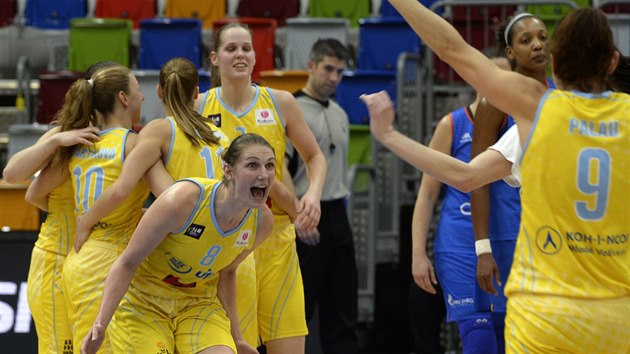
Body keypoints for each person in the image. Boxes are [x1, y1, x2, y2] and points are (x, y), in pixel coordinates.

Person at [365, 3, 629, 352]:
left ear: (556, 63)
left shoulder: (537, 108)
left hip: (543, 314)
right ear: (612, 62)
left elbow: (451, 50)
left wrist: (389, 136)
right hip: (615, 316)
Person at [196, 22, 327, 353]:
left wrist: (312, 194)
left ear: (255, 57)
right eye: (231, 49)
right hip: (228, 243)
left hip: (277, 238)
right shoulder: (198, 108)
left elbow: (314, 157)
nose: (240, 54)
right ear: (214, 58)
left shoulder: (280, 102)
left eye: (246, 48)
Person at [80, 133, 276, 354]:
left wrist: (237, 338)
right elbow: (127, 262)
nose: (263, 175)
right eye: (252, 165)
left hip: (197, 302)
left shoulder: (263, 222)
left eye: (270, 166)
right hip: (144, 301)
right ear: (228, 171)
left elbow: (228, 271)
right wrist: (101, 324)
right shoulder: (183, 199)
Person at [24, 65, 161, 353]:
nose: (142, 97)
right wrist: (86, 220)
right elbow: (149, 194)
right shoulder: (134, 143)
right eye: (137, 89)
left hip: (80, 257)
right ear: (123, 98)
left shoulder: (81, 142)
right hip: (101, 258)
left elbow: (33, 193)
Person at [74, 57, 231, 249]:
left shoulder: (157, 131)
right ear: (197, 93)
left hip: (189, 240)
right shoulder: (221, 135)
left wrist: (85, 222)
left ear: (159, 91)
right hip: (226, 238)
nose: (141, 96)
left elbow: (167, 198)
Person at [412, 51, 510, 354]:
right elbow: (428, 193)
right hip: (460, 246)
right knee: (479, 341)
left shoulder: (523, 127)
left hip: (508, 243)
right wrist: (418, 254)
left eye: (508, 77)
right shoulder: (452, 125)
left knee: (506, 339)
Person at [469, 14, 553, 353]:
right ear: (511, 51)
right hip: (508, 231)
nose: (537, 44)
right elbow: (476, 179)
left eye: (543, 37)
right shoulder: (494, 101)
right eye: (526, 40)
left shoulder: (561, 94)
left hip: (551, 228)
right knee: (513, 329)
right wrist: (483, 248)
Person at [284, 38, 359, 354]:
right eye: (328, 69)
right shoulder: (292, 109)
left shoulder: (341, 113)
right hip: (303, 212)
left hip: (337, 215)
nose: (334, 78)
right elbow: (280, 169)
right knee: (297, 309)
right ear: (311, 66)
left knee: (343, 307)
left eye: (340, 72)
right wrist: (296, 214)